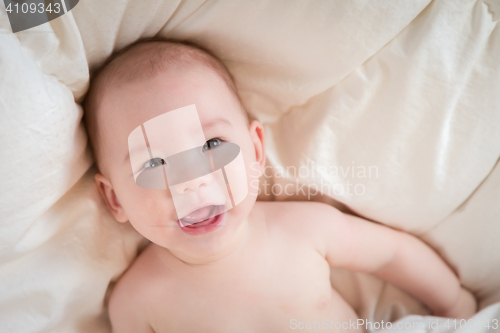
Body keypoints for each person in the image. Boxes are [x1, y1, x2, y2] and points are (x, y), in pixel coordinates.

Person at [83, 38, 477, 333]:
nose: (192, 181)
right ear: (115, 198)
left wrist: (453, 302)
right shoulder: (137, 303)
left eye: (212, 145)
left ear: (255, 151)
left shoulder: (301, 228)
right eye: (154, 163)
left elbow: (391, 254)